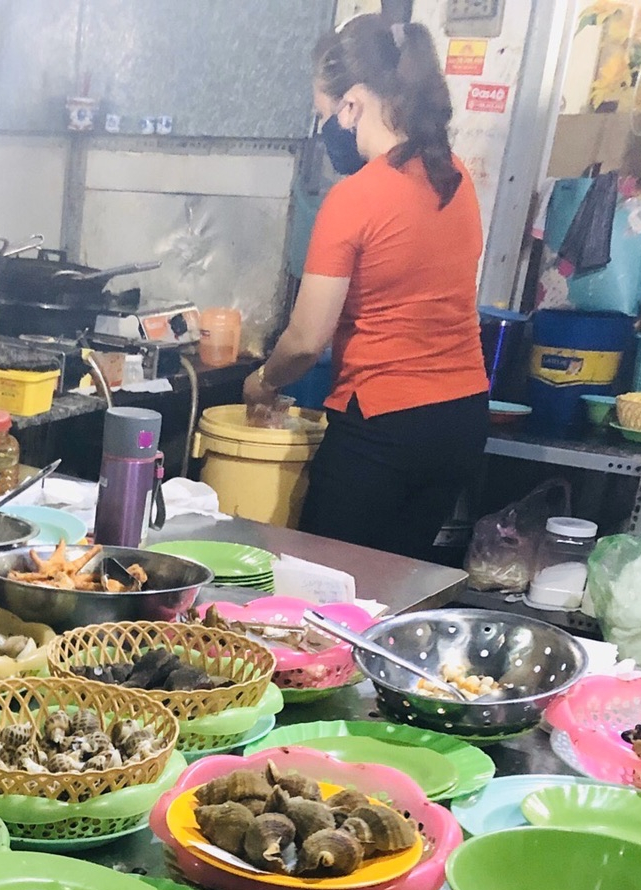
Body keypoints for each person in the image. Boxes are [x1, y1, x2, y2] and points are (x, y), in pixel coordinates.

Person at [241, 14, 489, 562]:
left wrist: (263, 381)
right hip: (461, 420)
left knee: (324, 585)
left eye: (324, 115)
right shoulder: (456, 177)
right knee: (391, 586)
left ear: (352, 105)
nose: (325, 128)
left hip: (384, 427)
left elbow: (306, 340)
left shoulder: (355, 198)